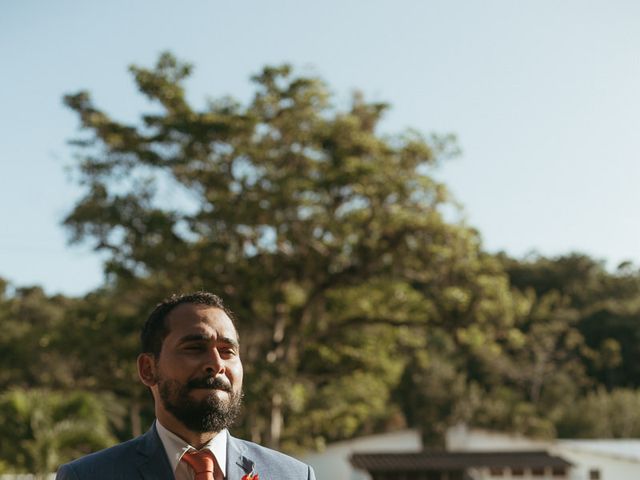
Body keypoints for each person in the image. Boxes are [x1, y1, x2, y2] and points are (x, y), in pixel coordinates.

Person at [56, 291, 316, 480]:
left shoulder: (293, 475)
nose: (216, 364)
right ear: (148, 369)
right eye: (194, 348)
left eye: (227, 351)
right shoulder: (88, 476)